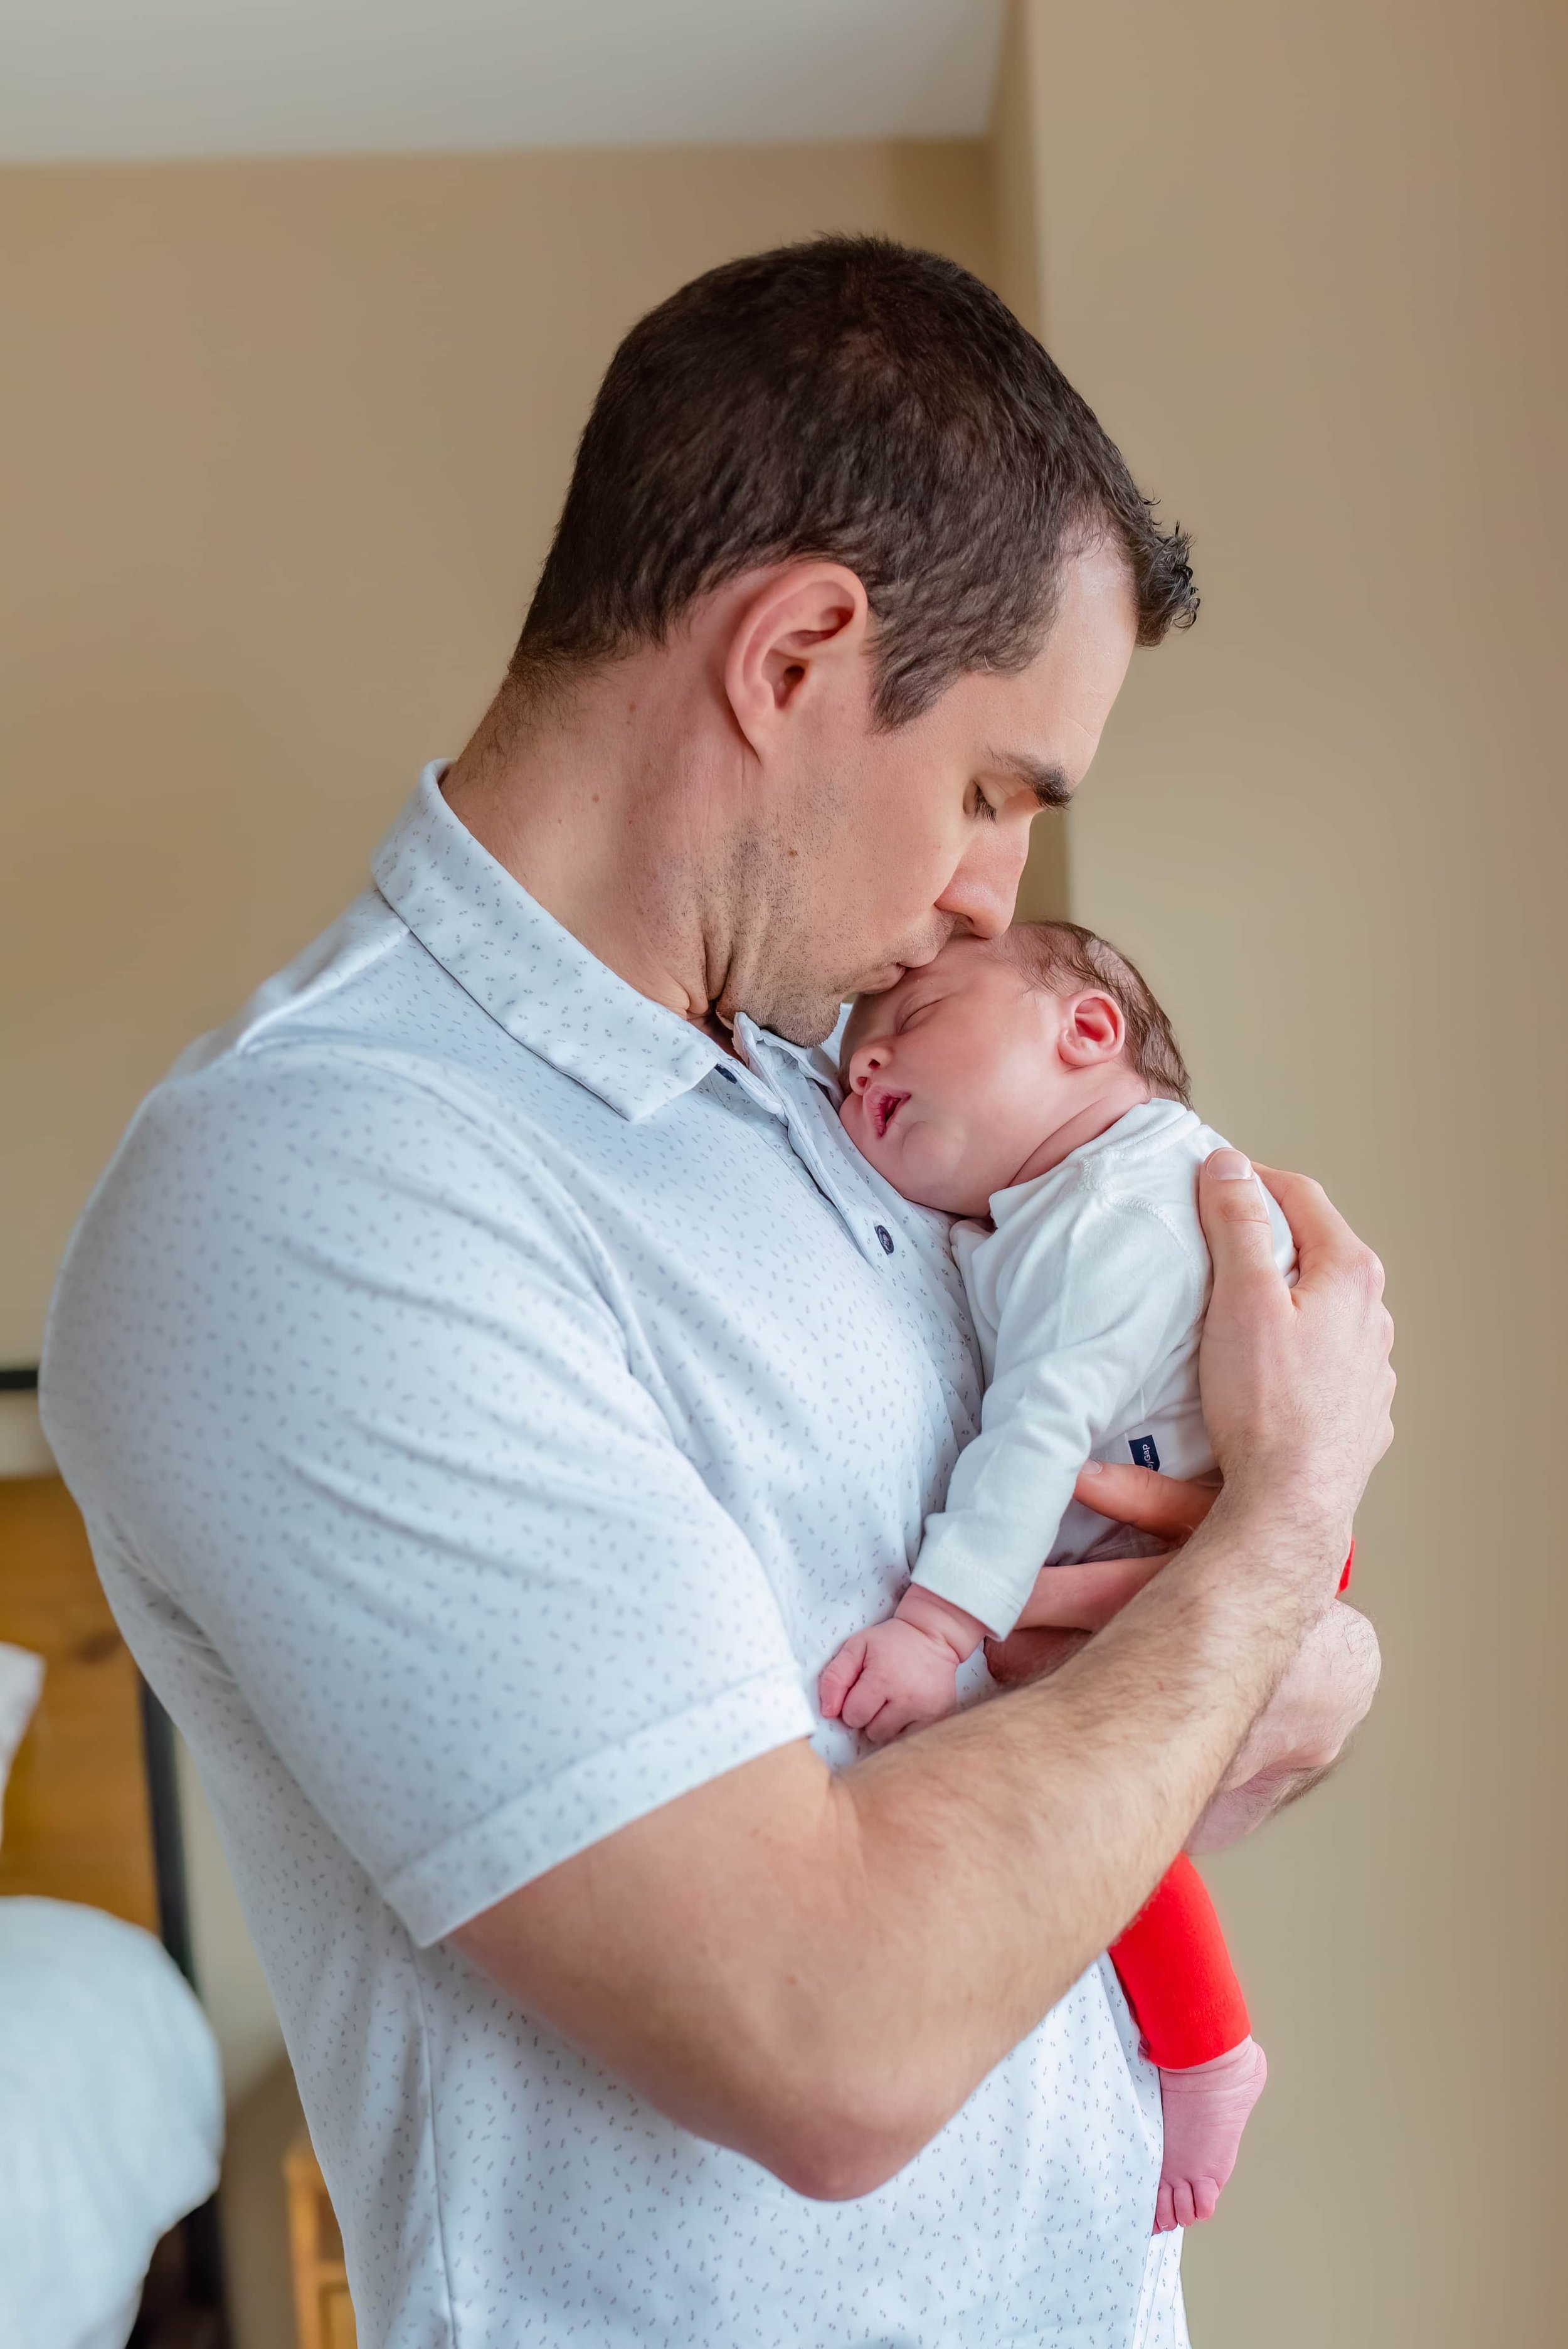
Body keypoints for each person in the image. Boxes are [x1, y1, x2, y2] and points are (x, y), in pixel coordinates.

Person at [40, 240, 1391, 2349]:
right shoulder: (317, 1192)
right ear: (793, 654)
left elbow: (1114, 1721)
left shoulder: (824, 1094)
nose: (993, 896)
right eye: (994, 788)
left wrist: (1284, 1647)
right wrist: (1284, 1544)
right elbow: (825, 2035)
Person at [818, 918, 1300, 2233]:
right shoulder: (1063, 1200)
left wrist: (929, 1627)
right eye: (852, 1061)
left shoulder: (1112, 1213)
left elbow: (1035, 1421)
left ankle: (1206, 2053)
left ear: (1083, 1035)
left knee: (1097, 1807)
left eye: (905, 1029)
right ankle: (1205, 2050)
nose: (864, 1068)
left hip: (1214, 1545)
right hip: (1198, 1543)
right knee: (1093, 1802)